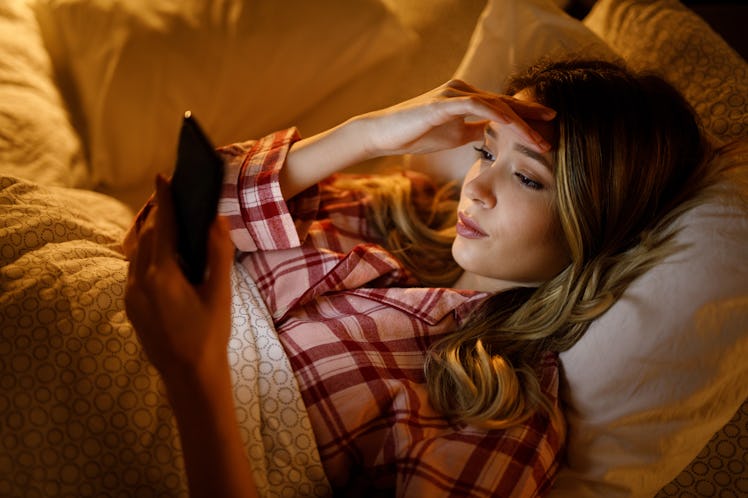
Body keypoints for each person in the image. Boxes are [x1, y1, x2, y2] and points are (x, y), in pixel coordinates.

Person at [124, 59, 715, 497]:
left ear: (597, 228)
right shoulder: (390, 210)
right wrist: (366, 135)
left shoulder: (499, 411)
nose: (476, 187)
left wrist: (193, 374)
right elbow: (159, 226)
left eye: (528, 179)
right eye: (485, 151)